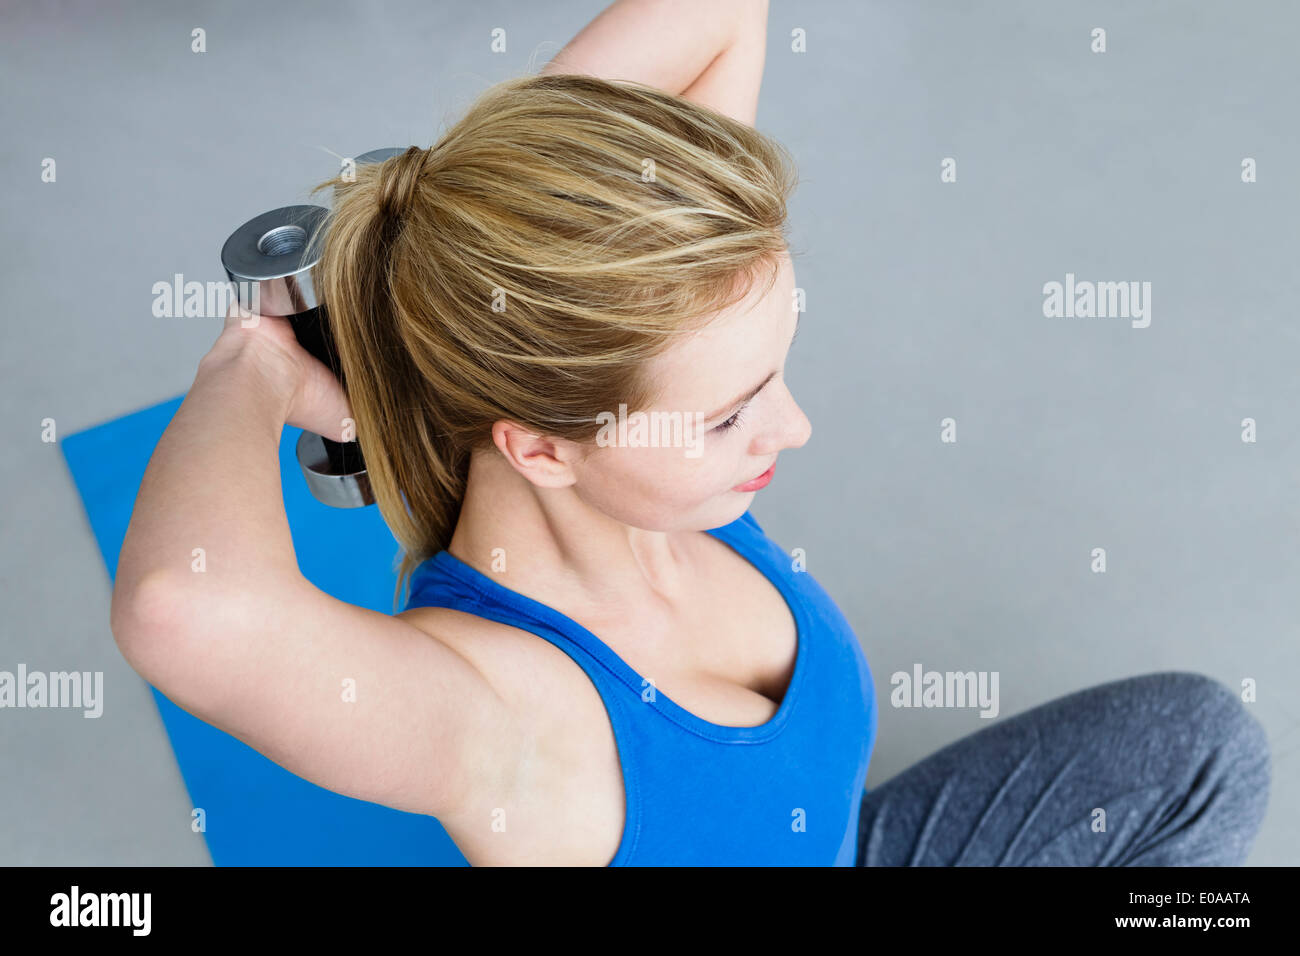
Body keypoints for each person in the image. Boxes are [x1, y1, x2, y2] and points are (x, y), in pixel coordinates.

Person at [110, 0, 1270, 866]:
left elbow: (717, 12)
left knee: (1202, 746)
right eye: (728, 415)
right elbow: (181, 608)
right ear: (543, 447)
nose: (794, 427)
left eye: (770, 380)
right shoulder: (502, 716)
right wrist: (250, 366)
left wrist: (464, 221)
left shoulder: (646, 465)